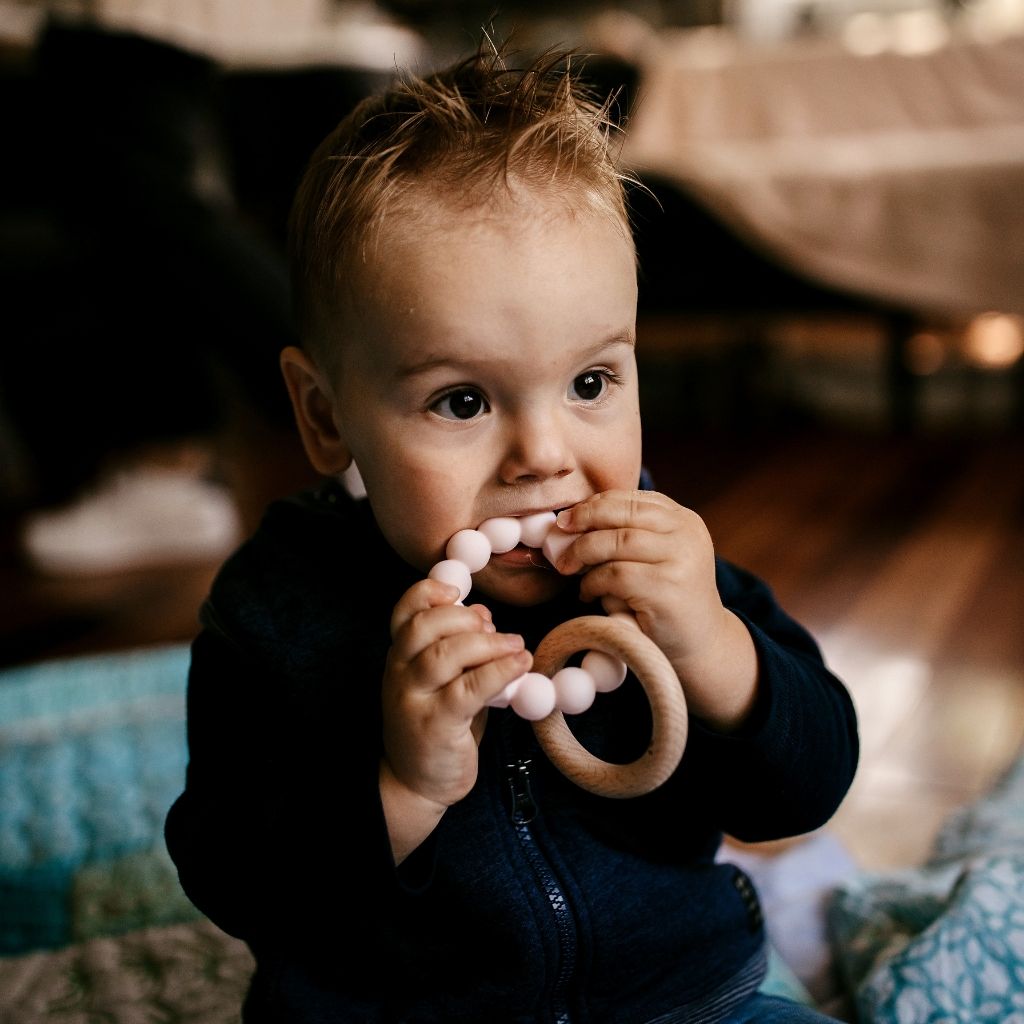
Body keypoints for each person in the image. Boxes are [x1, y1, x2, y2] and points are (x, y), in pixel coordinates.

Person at [165, 41, 859, 1023]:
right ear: (325, 416)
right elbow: (235, 876)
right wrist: (398, 785)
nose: (543, 453)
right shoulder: (277, 610)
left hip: (676, 998)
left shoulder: (659, 576)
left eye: (590, 383)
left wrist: (715, 648)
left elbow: (806, 785)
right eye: (461, 400)